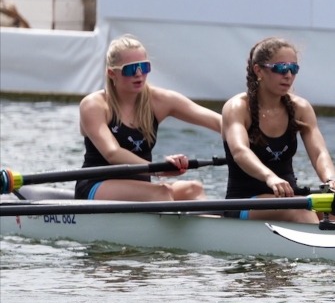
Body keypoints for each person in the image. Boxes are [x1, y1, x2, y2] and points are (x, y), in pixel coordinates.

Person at [74, 35, 223, 201]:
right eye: (131, 69)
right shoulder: (94, 105)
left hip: (143, 186)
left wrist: (245, 140)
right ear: (112, 73)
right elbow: (113, 153)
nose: (139, 74)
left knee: (194, 189)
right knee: (162, 192)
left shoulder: (159, 100)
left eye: (144, 67)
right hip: (97, 184)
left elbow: (218, 122)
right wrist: (158, 170)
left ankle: (214, 224)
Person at [218, 37, 335, 223]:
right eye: (281, 68)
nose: (288, 75)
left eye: (293, 69)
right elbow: (240, 151)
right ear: (258, 70)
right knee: (301, 211)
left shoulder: (300, 107)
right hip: (244, 201)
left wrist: (331, 179)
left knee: (334, 210)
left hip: (287, 197)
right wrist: (270, 177)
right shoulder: (237, 107)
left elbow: (319, 152)